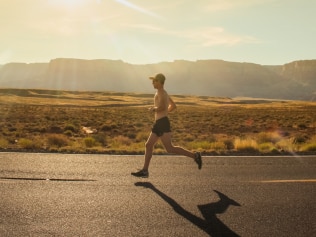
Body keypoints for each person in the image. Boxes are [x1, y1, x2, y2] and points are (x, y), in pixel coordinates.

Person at [131, 73, 202, 178]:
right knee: (148, 145)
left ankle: (195, 155)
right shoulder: (163, 93)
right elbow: (173, 106)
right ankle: (145, 171)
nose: (152, 83)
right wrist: (165, 113)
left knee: (170, 149)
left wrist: (154, 109)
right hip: (159, 122)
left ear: (159, 82)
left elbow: (162, 106)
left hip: (163, 123)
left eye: (154, 81)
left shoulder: (162, 93)